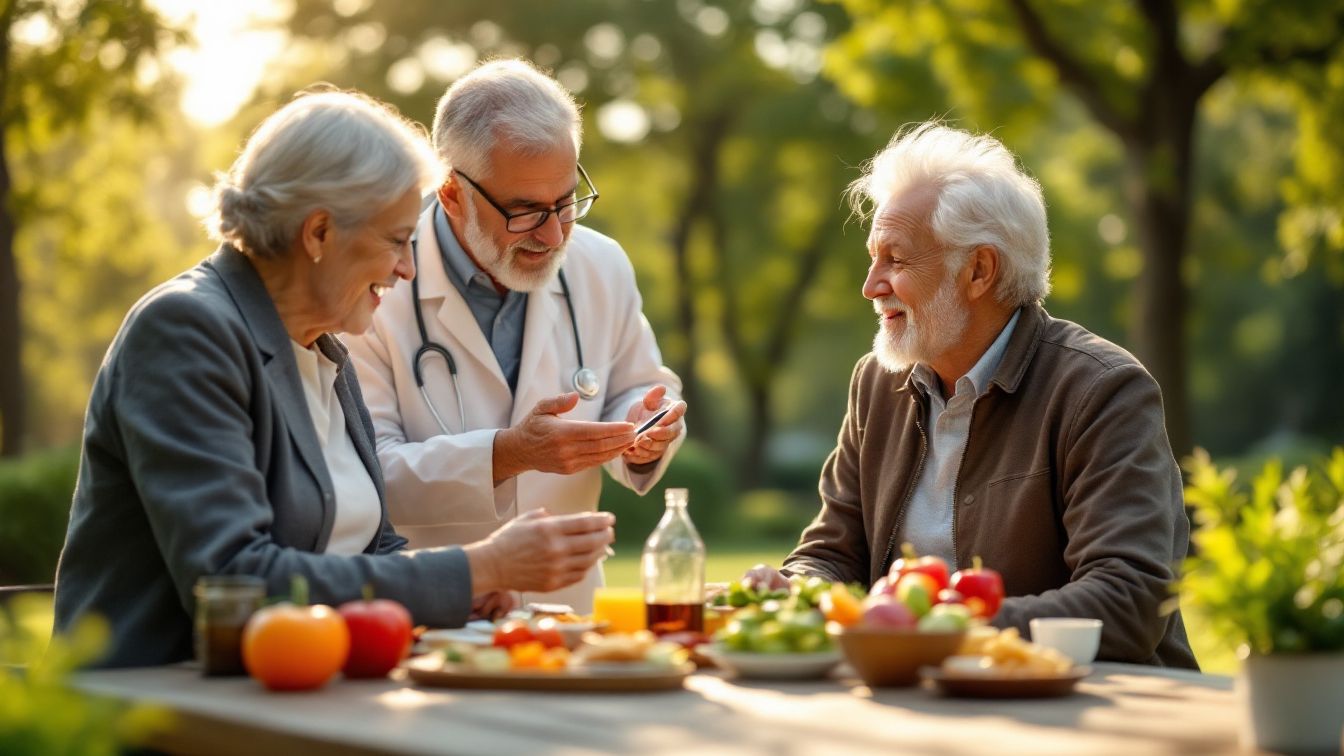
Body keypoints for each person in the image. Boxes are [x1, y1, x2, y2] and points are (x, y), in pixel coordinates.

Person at [52, 90, 614, 668]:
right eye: (396, 241)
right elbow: (233, 581)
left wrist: (464, 597)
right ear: (319, 233)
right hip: (163, 695)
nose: (408, 268)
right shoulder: (186, 329)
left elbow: (372, 547)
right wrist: (478, 567)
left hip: (299, 685)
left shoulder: (323, 348)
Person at [744, 123, 1198, 668]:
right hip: (928, 694)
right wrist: (796, 589)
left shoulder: (1102, 389)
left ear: (979, 270)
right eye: (873, 258)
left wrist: (938, 632)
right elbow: (833, 554)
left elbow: (1127, 603)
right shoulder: (877, 383)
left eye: (896, 259)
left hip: (1086, 701)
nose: (871, 285)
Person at [346, 60, 685, 613]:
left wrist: (646, 427)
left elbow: (639, 386)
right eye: (525, 211)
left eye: (566, 201)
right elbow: (364, 472)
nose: (553, 236)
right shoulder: (377, 281)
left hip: (569, 611)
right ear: (452, 192)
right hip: (437, 613)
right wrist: (505, 455)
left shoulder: (601, 264)